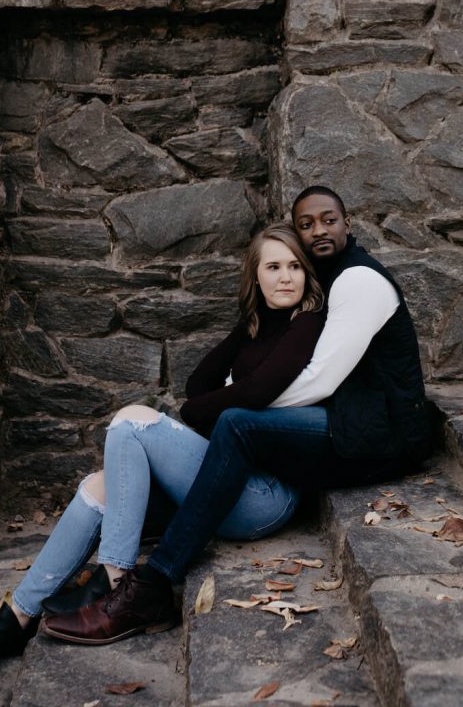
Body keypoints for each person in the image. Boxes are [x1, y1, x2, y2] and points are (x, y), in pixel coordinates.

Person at [40, 184, 433, 647]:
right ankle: (104, 576)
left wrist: (227, 407)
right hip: (352, 420)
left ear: (349, 224)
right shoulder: (323, 281)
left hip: (384, 438)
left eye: (329, 220)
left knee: (237, 425)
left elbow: (319, 382)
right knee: (217, 433)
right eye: (305, 225)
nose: (318, 231)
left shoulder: (358, 280)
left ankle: (154, 583)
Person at [0, 223, 324, 669]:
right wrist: (223, 392)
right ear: (255, 277)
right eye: (274, 266)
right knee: (101, 485)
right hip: (226, 478)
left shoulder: (307, 323)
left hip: (264, 494)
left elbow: (256, 392)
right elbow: (196, 386)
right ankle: (18, 617)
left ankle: (118, 581)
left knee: (130, 422)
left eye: (295, 266)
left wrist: (215, 405)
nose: (286, 277)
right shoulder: (257, 326)